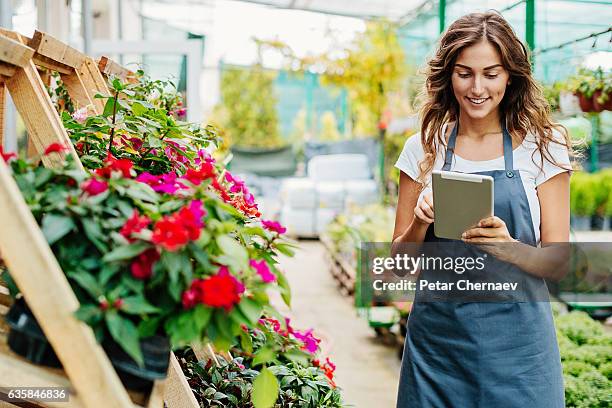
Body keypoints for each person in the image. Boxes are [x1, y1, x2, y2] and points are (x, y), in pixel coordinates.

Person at [393, 11, 573, 408]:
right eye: (464, 73)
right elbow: (399, 266)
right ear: (447, 75)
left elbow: (559, 261)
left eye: (491, 74)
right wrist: (421, 223)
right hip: (437, 353)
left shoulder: (543, 148)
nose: (477, 88)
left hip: (521, 355)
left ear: (511, 76)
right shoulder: (423, 149)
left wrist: (510, 247)